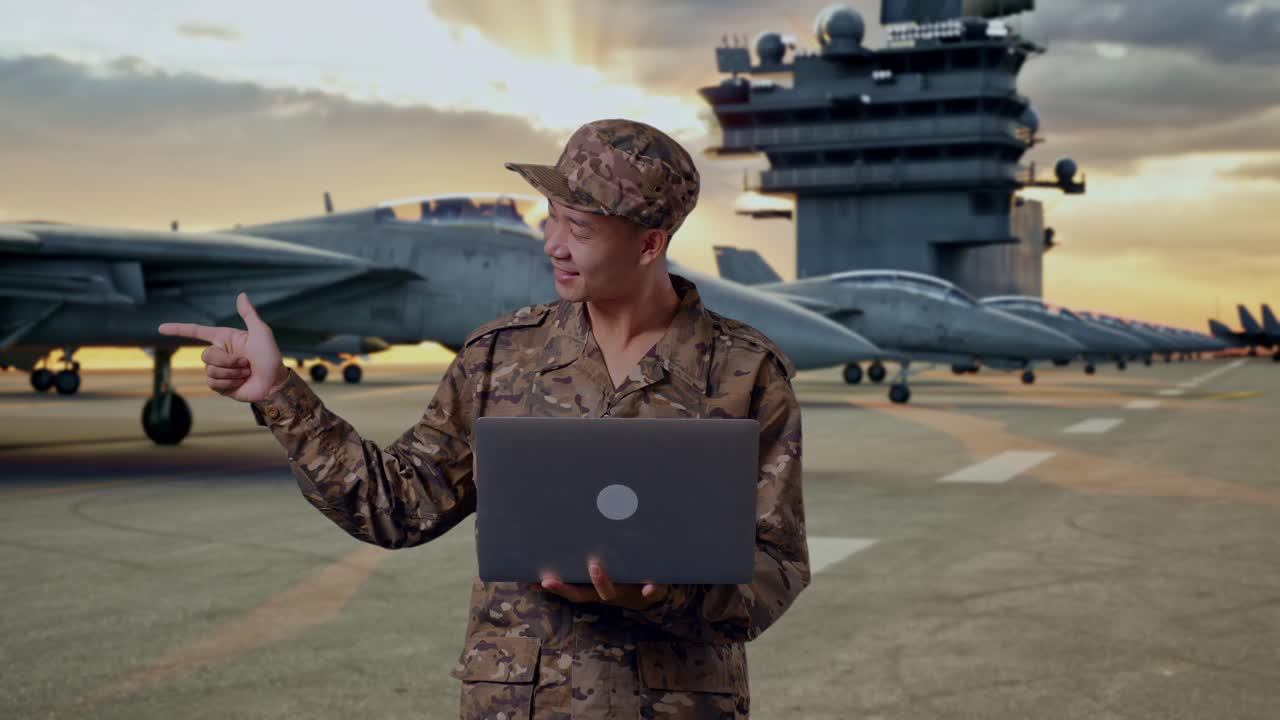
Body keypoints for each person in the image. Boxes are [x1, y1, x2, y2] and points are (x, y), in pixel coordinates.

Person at [158, 118, 809, 719]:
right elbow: (398, 504)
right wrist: (280, 395)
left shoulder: (745, 374)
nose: (552, 243)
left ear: (649, 244)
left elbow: (777, 568)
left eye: (578, 228)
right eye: (550, 217)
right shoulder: (499, 359)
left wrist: (665, 592)